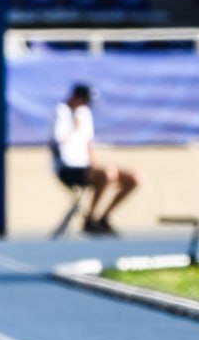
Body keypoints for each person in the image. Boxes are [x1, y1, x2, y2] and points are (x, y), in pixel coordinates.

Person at [51, 82, 140, 235]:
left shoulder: (84, 113)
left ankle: (103, 217)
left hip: (86, 166)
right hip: (67, 168)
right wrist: (73, 126)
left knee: (133, 178)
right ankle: (90, 220)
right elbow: (57, 142)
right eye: (85, 100)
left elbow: (89, 143)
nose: (87, 104)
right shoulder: (61, 112)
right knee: (106, 174)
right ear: (75, 97)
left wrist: (94, 164)